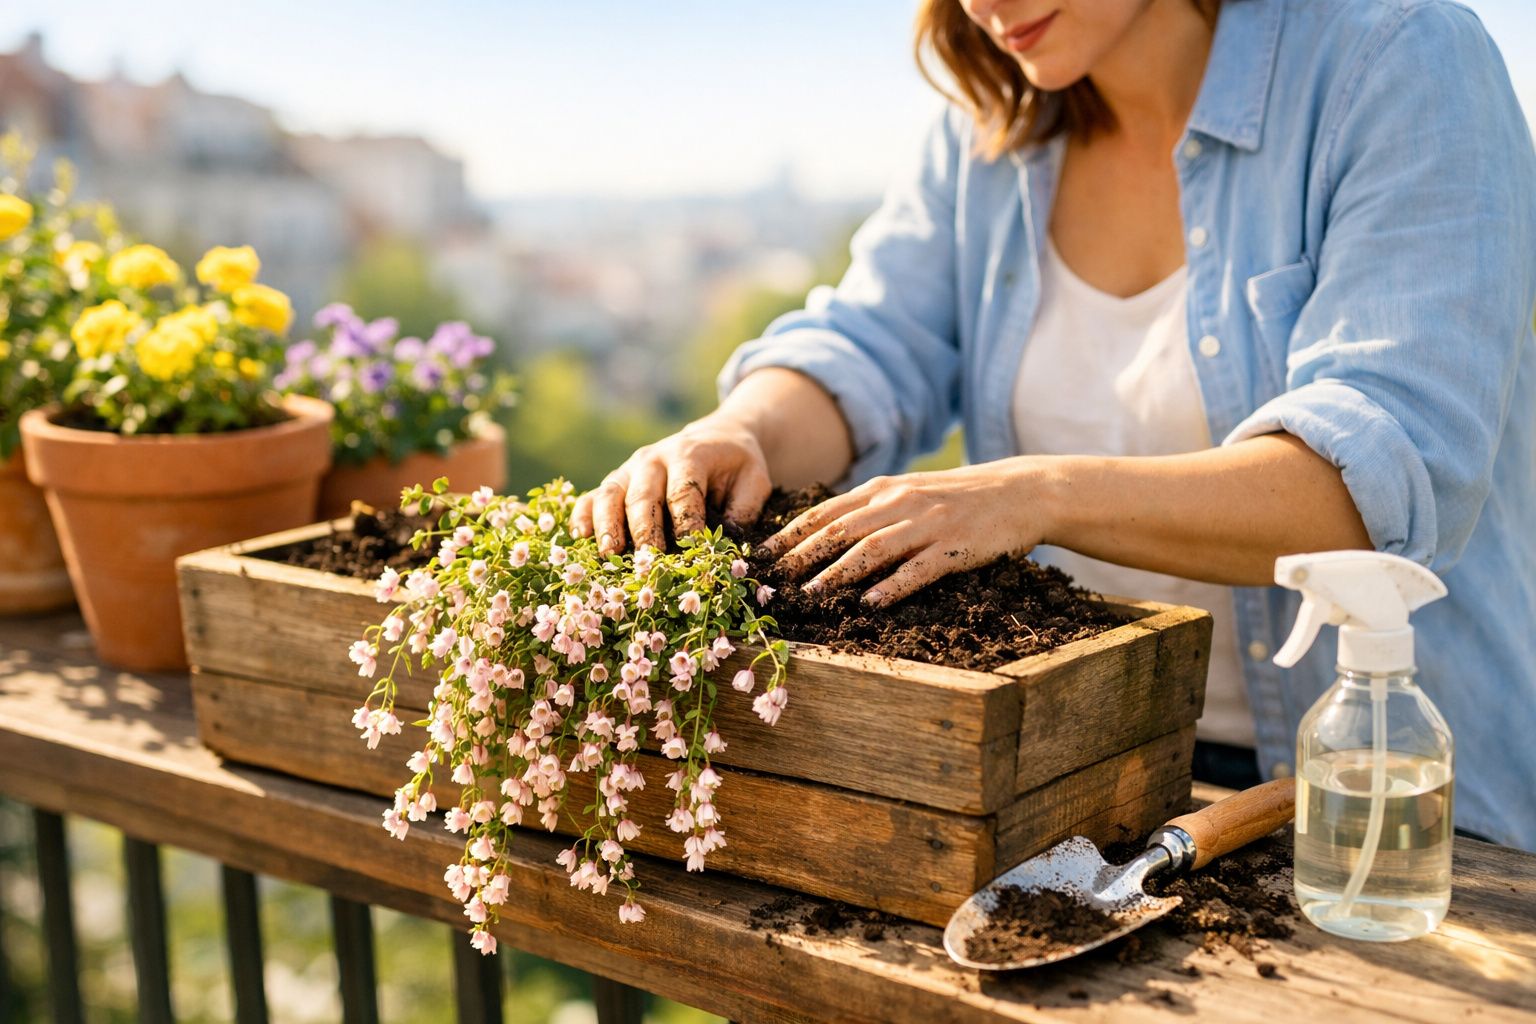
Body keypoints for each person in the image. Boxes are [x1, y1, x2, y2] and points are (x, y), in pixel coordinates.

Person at [571, 0, 1536, 850]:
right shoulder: (990, 130)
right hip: (1068, 779)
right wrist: (744, 433)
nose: (982, 5)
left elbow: (1373, 482)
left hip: (1364, 800)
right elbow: (873, 342)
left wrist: (1036, 493)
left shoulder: (1401, 59)